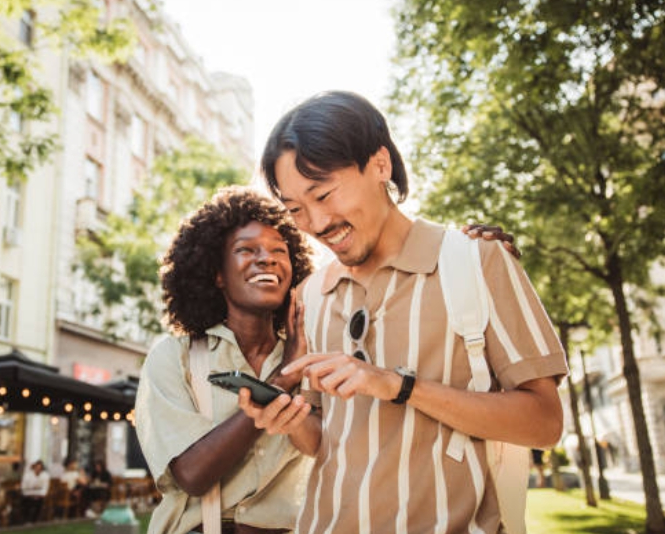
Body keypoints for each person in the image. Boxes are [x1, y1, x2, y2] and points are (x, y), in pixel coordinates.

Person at [242, 91, 569, 533]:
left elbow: (545, 424)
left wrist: (398, 385)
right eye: (296, 209)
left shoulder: (478, 261)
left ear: (380, 165)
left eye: (323, 195)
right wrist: (290, 420)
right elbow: (325, 442)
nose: (316, 224)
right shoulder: (311, 296)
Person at [135, 187, 318, 534]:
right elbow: (192, 475)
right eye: (246, 250)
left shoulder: (313, 358)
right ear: (216, 274)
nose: (267, 259)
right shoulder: (175, 359)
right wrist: (281, 381)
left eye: (279, 251)